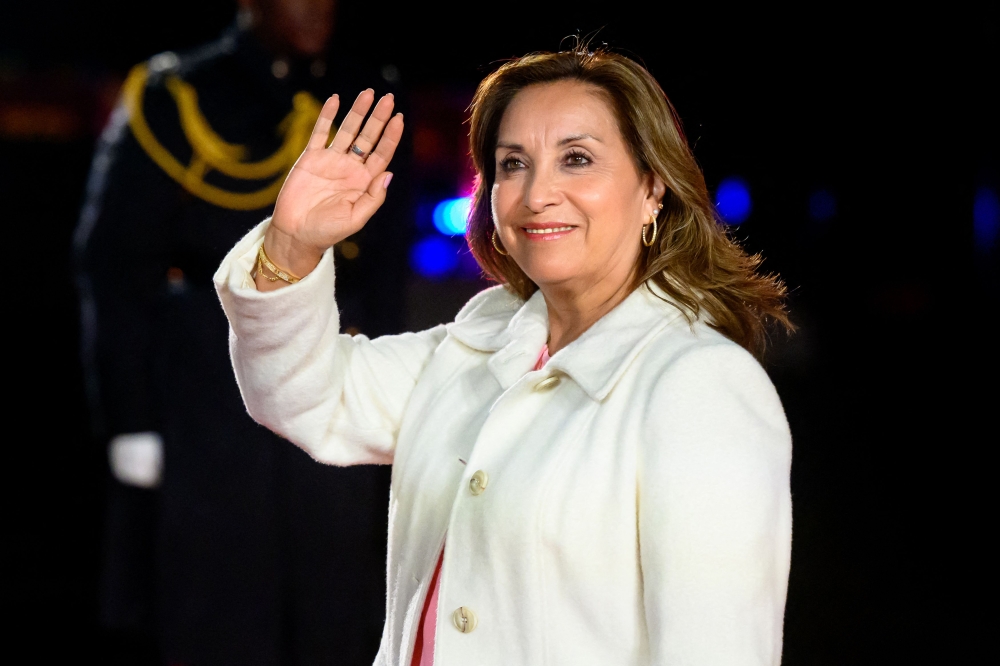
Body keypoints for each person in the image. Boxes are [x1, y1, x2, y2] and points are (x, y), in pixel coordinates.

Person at [215, 46, 794, 665]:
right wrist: (292, 243)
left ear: (653, 187)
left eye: (577, 159)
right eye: (513, 164)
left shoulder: (700, 385)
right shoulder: (486, 339)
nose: (537, 194)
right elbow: (303, 397)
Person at [75, 1, 406, 663]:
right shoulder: (177, 94)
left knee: (339, 598)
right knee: (219, 600)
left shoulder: (364, 89)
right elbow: (116, 263)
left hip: (333, 359)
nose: (317, 8)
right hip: (206, 376)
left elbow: (387, 266)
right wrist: (131, 417)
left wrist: (399, 403)